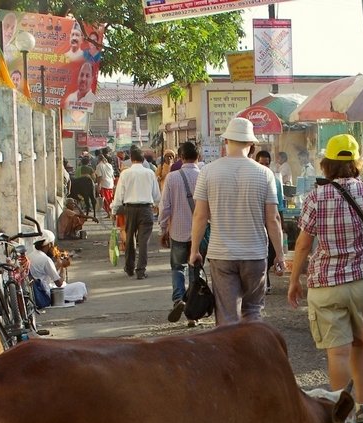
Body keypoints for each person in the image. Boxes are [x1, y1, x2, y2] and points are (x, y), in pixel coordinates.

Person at [287, 134, 363, 423]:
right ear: (357, 162)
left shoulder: (315, 198)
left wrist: (295, 281)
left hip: (327, 283)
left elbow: (304, 243)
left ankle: (342, 420)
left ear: (327, 164)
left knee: (338, 353)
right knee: (362, 344)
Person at [189, 117, 285, 325]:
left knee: (227, 314)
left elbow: (200, 216)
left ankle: (230, 355)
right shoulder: (265, 174)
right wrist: (280, 254)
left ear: (226, 141)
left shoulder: (208, 172)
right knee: (253, 310)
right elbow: (273, 218)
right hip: (255, 253)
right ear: (251, 144)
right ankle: (253, 353)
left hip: (221, 254)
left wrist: (195, 249)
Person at [159, 141, 202, 324]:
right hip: (199, 234)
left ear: (180, 157)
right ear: (198, 157)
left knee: (177, 268)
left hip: (177, 231)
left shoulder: (172, 177)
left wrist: (162, 229)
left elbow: (165, 207)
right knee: (195, 271)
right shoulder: (204, 176)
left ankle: (178, 299)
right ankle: (192, 312)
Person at [111, 146, 160, 279]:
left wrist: (114, 210)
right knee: (144, 241)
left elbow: (119, 194)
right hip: (146, 209)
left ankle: (129, 267)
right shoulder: (150, 173)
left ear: (131, 159)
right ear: (143, 159)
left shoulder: (125, 174)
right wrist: (156, 205)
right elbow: (156, 195)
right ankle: (141, 270)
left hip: (130, 209)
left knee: (130, 238)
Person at [256, 149, 286, 294]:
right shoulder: (251, 179)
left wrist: (282, 225)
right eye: (261, 163)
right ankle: (264, 280)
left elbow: (279, 206)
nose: (264, 166)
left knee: (271, 252)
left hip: (271, 223)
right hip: (256, 223)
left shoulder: (275, 180)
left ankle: (265, 277)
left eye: (266, 164)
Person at [29, 231, 87, 304]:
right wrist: (62, 266)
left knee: (66, 284)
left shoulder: (30, 255)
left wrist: (58, 266)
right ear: (49, 244)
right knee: (80, 285)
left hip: (37, 290)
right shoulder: (46, 259)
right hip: (46, 293)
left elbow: (47, 274)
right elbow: (59, 283)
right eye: (53, 245)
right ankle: (71, 298)